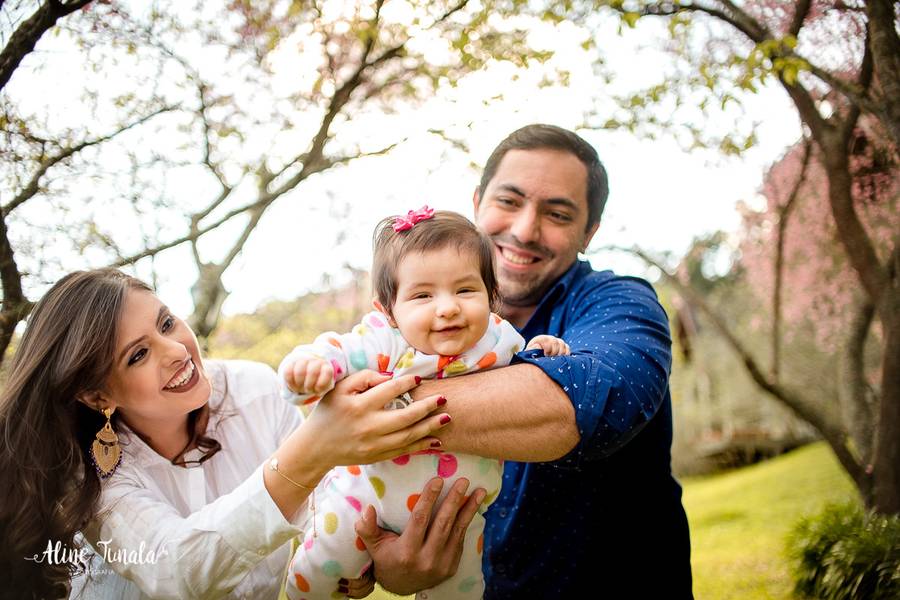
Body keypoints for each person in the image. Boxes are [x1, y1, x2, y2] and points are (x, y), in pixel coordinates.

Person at [0, 268, 484, 600]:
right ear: (97, 396)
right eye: (137, 355)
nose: (175, 350)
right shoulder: (89, 474)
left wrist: (358, 556)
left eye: (167, 323)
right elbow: (177, 570)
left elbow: (328, 502)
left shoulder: (254, 390)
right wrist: (310, 451)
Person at [356, 124, 693, 598]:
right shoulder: (413, 331)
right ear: (477, 204)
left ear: (589, 232)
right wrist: (391, 564)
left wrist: (372, 415)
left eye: (557, 213)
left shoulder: (621, 304)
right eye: (509, 202)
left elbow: (590, 403)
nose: (524, 229)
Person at [278, 209, 569, 600]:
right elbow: (336, 351)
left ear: (491, 295)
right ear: (388, 311)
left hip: (459, 517)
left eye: (466, 290)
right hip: (362, 503)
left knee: (464, 591)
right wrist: (308, 369)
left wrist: (540, 350)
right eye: (422, 295)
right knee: (321, 572)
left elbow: (525, 373)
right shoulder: (385, 340)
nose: (448, 307)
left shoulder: (497, 338)